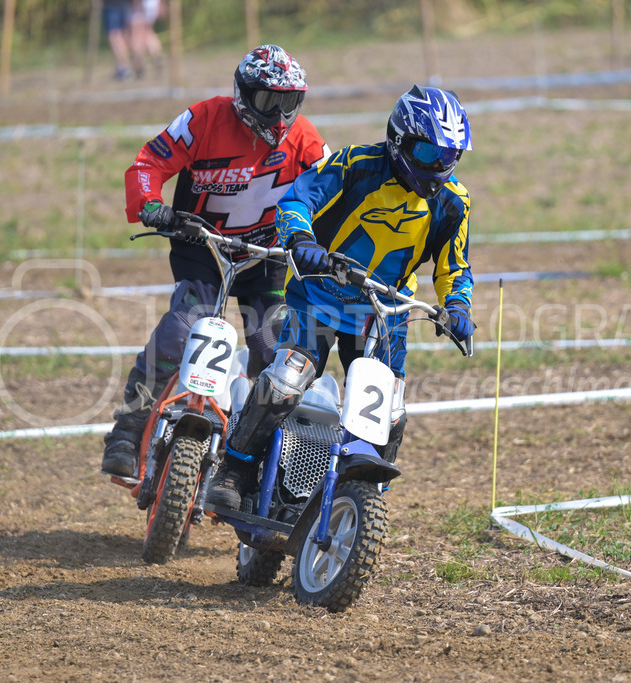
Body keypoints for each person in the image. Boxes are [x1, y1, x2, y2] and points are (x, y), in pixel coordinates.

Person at [208, 85, 475, 511]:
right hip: (319, 295)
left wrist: (458, 306)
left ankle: (366, 498)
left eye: (450, 157)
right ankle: (234, 470)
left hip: (384, 312)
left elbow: (454, 268)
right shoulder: (356, 164)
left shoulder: (454, 203)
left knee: (389, 410)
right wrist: (301, 238)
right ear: (399, 140)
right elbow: (298, 198)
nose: (440, 167)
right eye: (429, 155)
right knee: (285, 381)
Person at [101, 45, 331, 478]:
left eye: (290, 102)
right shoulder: (204, 119)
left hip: (266, 256)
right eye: (269, 102)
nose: (280, 117)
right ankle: (128, 429)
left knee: (274, 349)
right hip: (202, 247)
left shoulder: (306, 140)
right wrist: (150, 204)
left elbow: (333, 197)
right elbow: (148, 162)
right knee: (182, 328)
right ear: (243, 96)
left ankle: (256, 460)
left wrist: (326, 247)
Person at [130, 0, 164, 78]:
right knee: (147, 33)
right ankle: (156, 54)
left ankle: (139, 65)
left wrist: (138, 4)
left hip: (142, 6)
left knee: (137, 36)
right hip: (153, 5)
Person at [102, 0, 134, 81]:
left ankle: (123, 68)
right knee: (122, 36)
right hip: (123, 5)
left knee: (114, 36)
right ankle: (122, 67)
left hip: (112, 5)